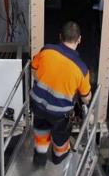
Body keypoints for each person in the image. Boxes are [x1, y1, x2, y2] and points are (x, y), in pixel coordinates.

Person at [30, 21, 92, 167]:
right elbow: (87, 98)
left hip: (37, 104)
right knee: (60, 138)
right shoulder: (82, 69)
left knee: (41, 129)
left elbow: (34, 71)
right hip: (59, 115)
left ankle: (40, 156)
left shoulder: (46, 50)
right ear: (79, 40)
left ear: (60, 37)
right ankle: (58, 157)